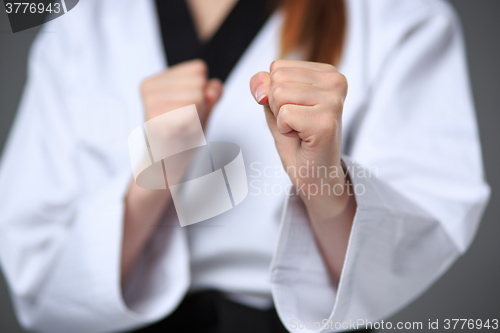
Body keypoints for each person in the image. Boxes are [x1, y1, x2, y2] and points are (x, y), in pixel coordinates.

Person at [0, 0, 490, 332]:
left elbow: (396, 261)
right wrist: (154, 174)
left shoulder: (399, 15)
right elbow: (36, 274)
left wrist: (321, 179)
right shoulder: (81, 19)